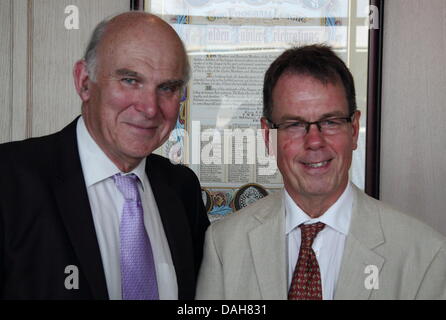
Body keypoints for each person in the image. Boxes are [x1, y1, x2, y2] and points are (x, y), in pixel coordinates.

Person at [196, 45, 446, 300]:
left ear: (354, 129)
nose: (314, 141)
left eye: (330, 122)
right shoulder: (225, 245)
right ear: (267, 135)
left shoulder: (425, 253)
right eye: (294, 124)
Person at [0, 12, 209, 300]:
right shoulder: (9, 180)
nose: (150, 108)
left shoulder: (182, 188)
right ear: (84, 82)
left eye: (167, 88)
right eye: (130, 80)